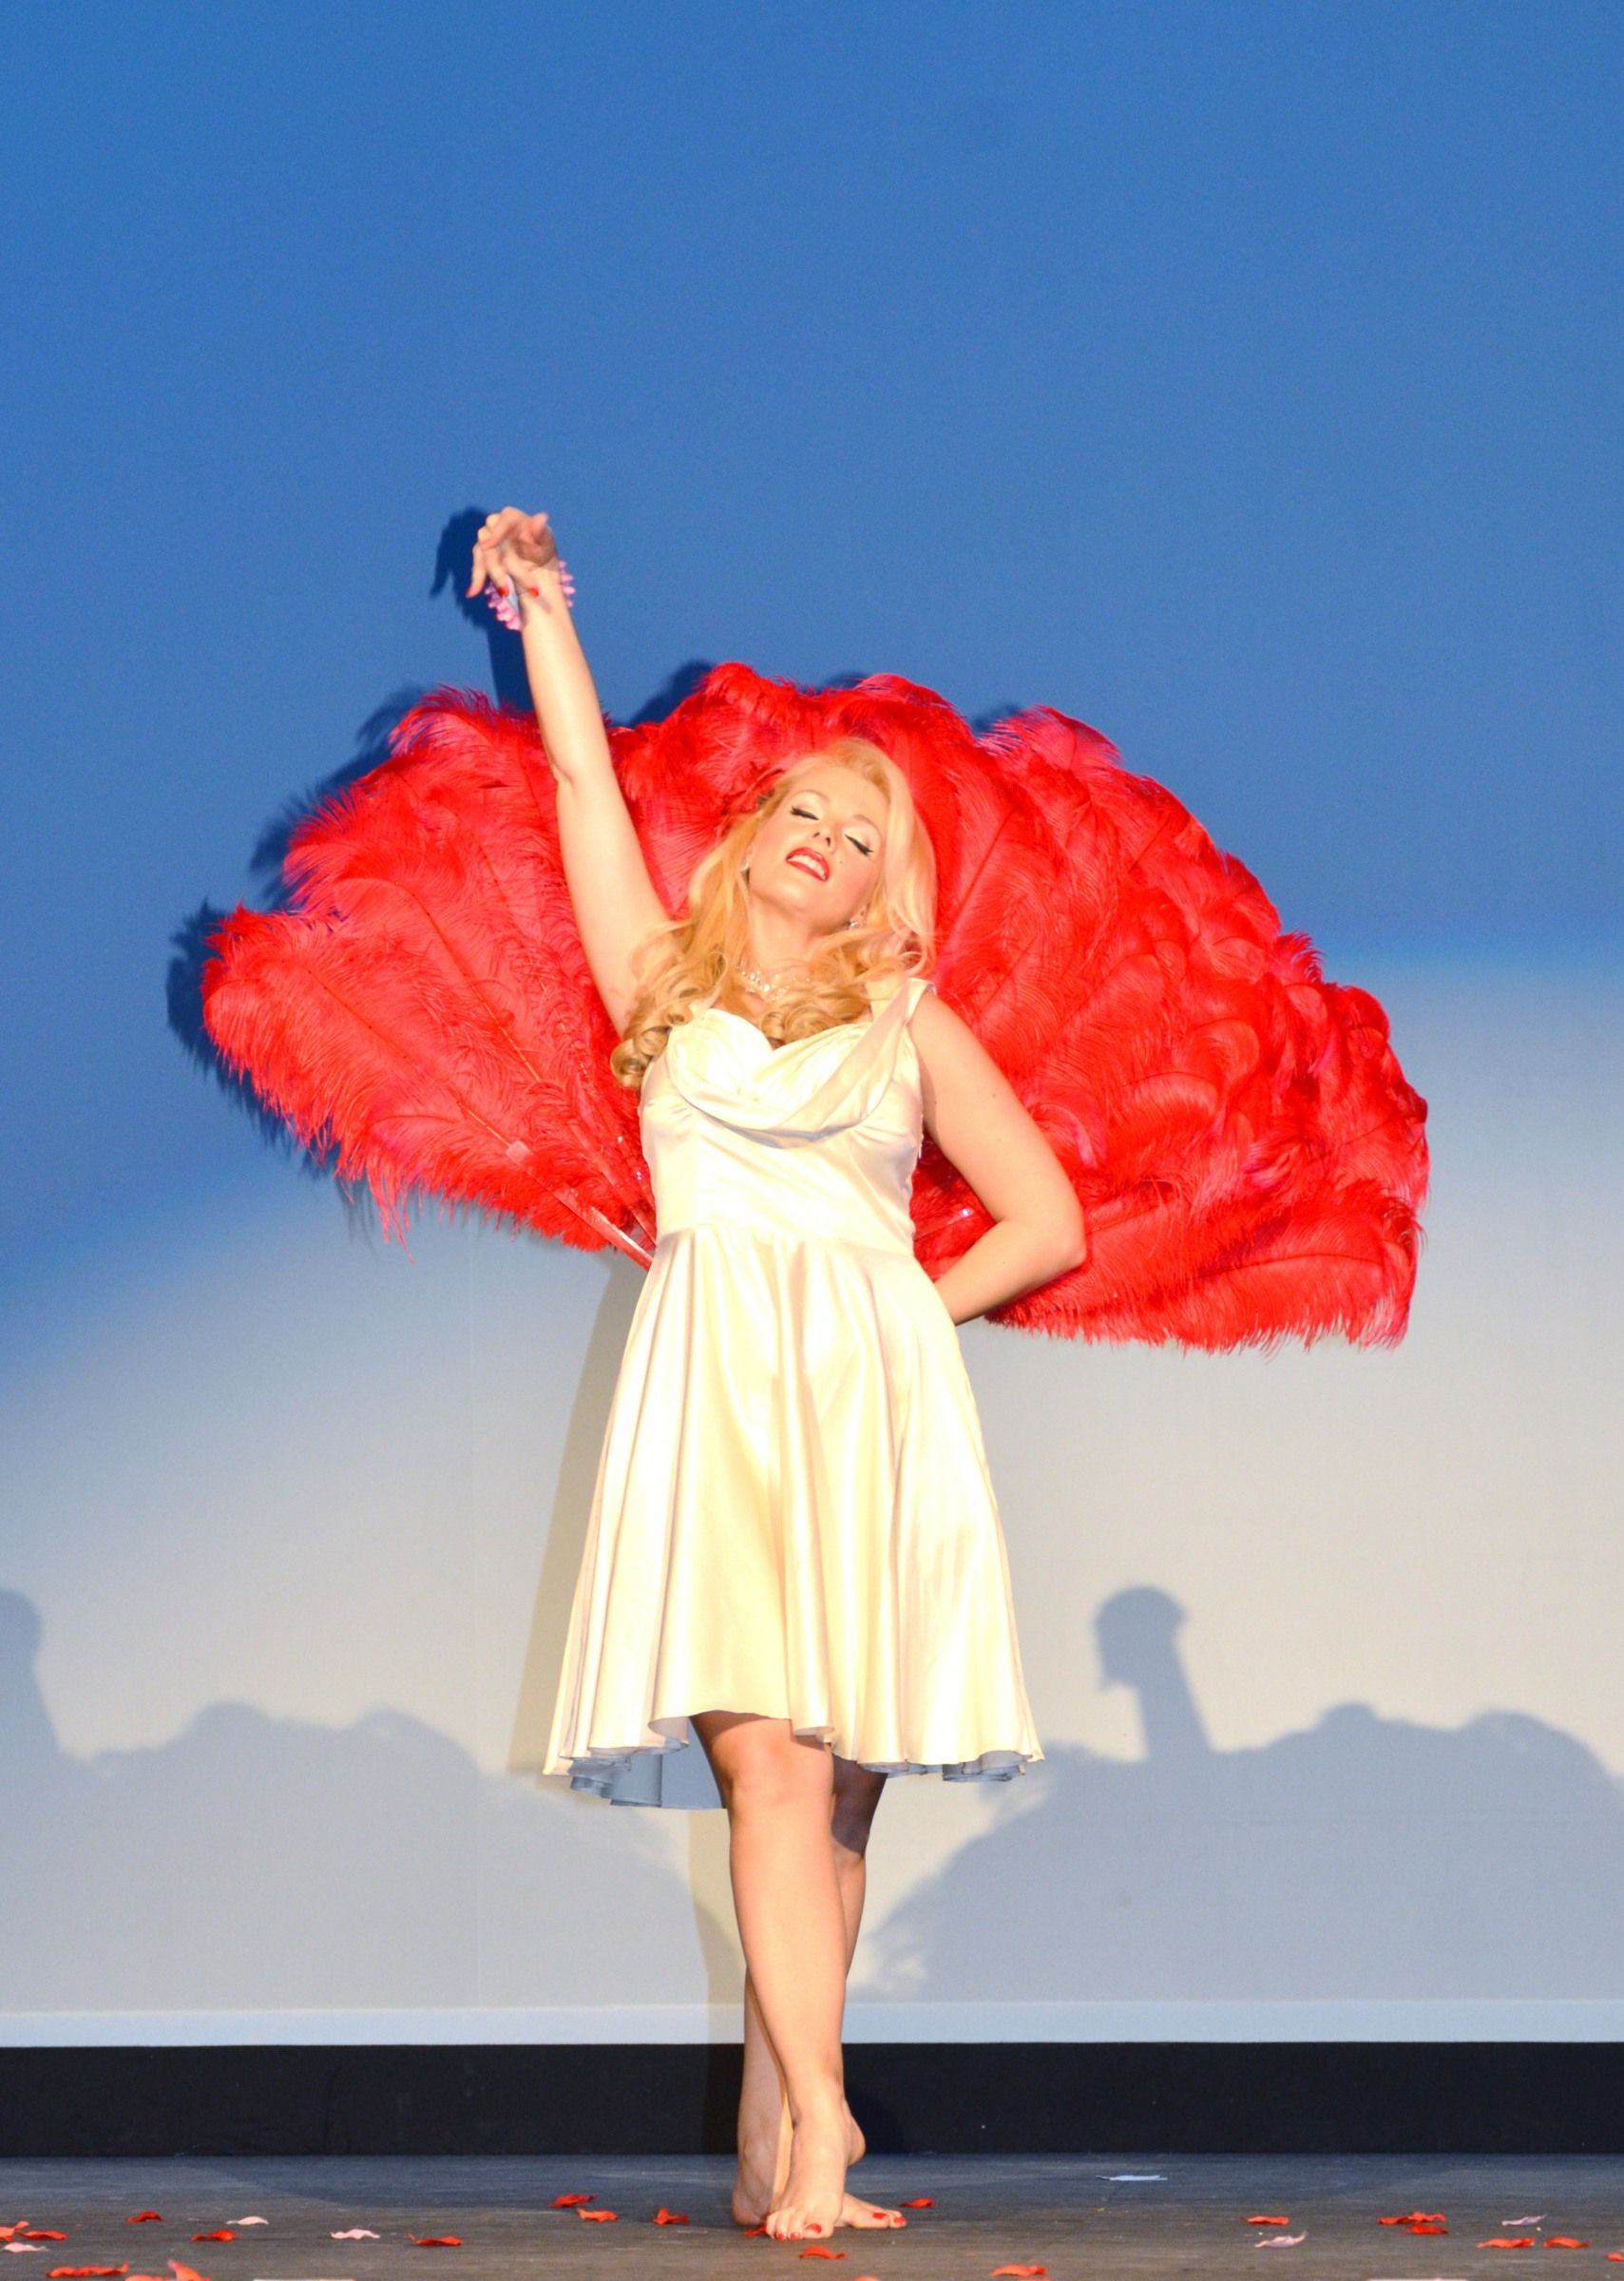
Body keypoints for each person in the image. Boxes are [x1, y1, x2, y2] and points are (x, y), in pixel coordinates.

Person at [467, 508, 1086, 2244]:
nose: (825, 838)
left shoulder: (909, 1028)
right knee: (774, 1775)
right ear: (746, 844)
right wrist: (545, 614)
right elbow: (584, 794)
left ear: (891, 884)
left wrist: (902, 1315)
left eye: (861, 831)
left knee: (829, 1817)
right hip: (720, 1398)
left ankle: (768, 2157)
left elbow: (1044, 1220)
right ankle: (828, 2115)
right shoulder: (661, 981)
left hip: (867, 1413)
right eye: (803, 811)